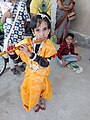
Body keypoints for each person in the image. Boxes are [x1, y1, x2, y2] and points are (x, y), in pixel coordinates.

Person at [8, 13, 57, 112]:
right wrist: (12, 53)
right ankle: (34, 102)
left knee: (41, 90)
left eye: (45, 29)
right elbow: (18, 60)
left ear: (49, 30)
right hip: (30, 75)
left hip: (42, 75)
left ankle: (41, 99)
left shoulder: (49, 46)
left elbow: (45, 63)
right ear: (33, 31)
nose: (42, 34)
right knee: (31, 92)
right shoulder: (26, 43)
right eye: (38, 30)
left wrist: (30, 54)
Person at [0, 0, 30, 75]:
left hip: (19, 33)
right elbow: (1, 22)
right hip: (8, 34)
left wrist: (20, 25)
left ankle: (19, 64)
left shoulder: (22, 3)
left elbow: (27, 18)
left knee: (19, 49)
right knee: (10, 50)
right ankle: (12, 67)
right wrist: (5, 15)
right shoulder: (3, 4)